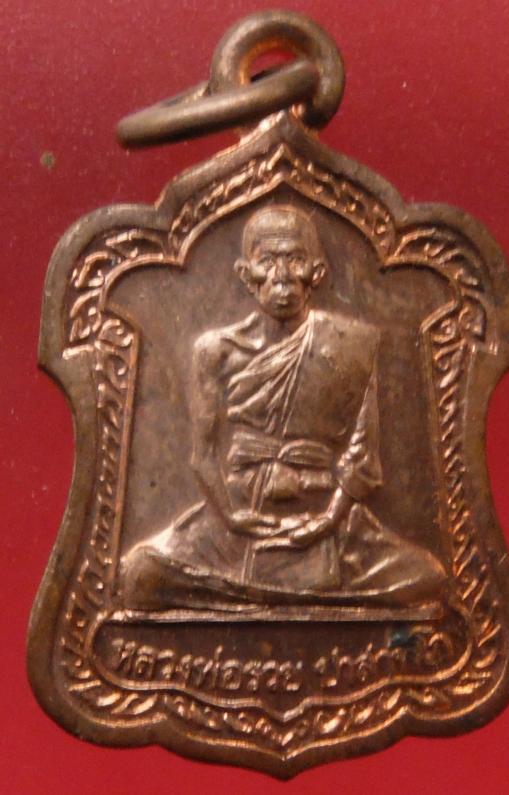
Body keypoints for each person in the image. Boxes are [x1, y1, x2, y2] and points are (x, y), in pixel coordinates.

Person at [121, 205, 445, 609]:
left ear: (317, 273)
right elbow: (202, 455)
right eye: (268, 262)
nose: (282, 276)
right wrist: (231, 517)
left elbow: (362, 453)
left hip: (325, 513)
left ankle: (248, 599)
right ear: (246, 275)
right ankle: (294, 600)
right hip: (236, 516)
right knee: (139, 574)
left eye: (294, 260)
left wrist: (327, 520)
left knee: (428, 578)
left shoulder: (351, 344)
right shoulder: (215, 351)